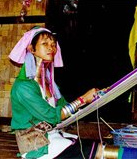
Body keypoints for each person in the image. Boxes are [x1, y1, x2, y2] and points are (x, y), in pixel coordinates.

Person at [9, 26, 99, 159]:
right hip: (37, 147)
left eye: (53, 44)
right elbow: (52, 116)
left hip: (53, 136)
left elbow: (63, 107)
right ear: (31, 49)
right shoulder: (23, 87)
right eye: (45, 43)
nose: (51, 48)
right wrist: (83, 100)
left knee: (96, 147)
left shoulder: (49, 84)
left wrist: (95, 98)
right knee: (96, 152)